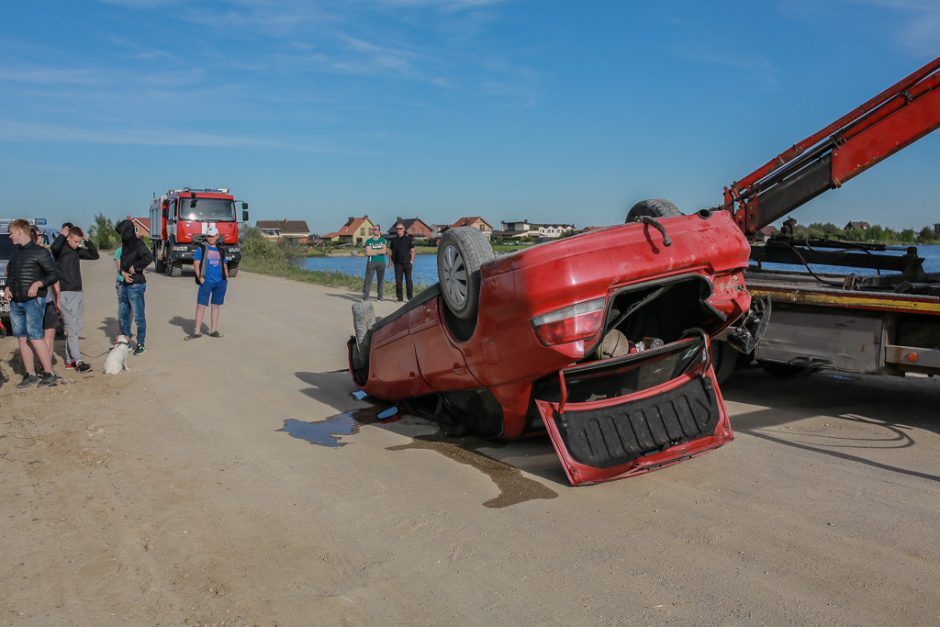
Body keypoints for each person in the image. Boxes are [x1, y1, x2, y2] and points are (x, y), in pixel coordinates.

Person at [4, 219, 59, 387]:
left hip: (34, 301)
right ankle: (30, 374)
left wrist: (38, 284)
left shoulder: (41, 252)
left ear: (20, 231)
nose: (10, 237)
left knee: (35, 337)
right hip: (16, 302)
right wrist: (7, 287)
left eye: (11, 233)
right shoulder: (14, 254)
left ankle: (49, 373)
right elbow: (11, 276)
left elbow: (53, 275)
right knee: (21, 338)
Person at [51, 224, 99, 372]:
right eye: (75, 241)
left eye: (79, 242)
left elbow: (95, 255)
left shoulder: (77, 251)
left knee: (75, 328)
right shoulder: (60, 250)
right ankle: (78, 362)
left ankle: (69, 361)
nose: (77, 244)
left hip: (78, 292)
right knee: (72, 329)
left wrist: (87, 240)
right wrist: (61, 235)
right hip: (65, 293)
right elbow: (53, 249)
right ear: (68, 238)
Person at [115, 219, 153, 355]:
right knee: (123, 315)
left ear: (128, 231)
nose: (122, 235)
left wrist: (135, 268)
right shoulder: (125, 244)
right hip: (125, 283)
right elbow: (122, 263)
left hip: (137, 284)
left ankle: (141, 344)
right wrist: (123, 273)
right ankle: (125, 343)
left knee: (138, 316)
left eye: (123, 232)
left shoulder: (138, 243)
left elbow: (149, 257)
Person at [190, 226, 229, 338]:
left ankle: (213, 330)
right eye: (208, 236)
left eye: (213, 236)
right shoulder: (201, 249)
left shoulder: (221, 250)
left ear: (217, 236)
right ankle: (196, 331)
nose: (211, 238)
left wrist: (226, 278)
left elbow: (224, 264)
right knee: (201, 306)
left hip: (220, 282)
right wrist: (200, 278)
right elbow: (196, 264)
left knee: (215, 306)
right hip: (206, 282)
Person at [31, 226, 61, 365]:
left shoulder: (17, 254)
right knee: (46, 334)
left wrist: (58, 299)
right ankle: (45, 366)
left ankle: (41, 366)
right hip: (41, 300)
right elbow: (54, 278)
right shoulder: (45, 254)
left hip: (36, 300)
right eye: (39, 234)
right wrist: (58, 300)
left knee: (40, 335)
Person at [388, 222, 416, 301]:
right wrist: (390, 263)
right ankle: (399, 298)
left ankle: (410, 297)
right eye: (397, 229)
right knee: (398, 282)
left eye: (400, 229)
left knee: (409, 281)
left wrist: (411, 261)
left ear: (403, 230)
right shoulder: (394, 240)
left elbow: (413, 251)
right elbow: (390, 253)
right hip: (397, 264)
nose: (398, 230)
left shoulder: (408, 239)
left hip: (407, 263)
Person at [361, 225, 387, 301]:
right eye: (374, 229)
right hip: (371, 262)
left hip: (381, 262)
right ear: (372, 231)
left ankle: (380, 297)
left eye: (376, 229)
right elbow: (368, 253)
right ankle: (365, 297)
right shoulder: (369, 241)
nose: (375, 230)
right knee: (368, 280)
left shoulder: (383, 240)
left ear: (379, 231)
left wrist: (373, 250)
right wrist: (378, 251)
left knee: (380, 280)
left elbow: (384, 251)